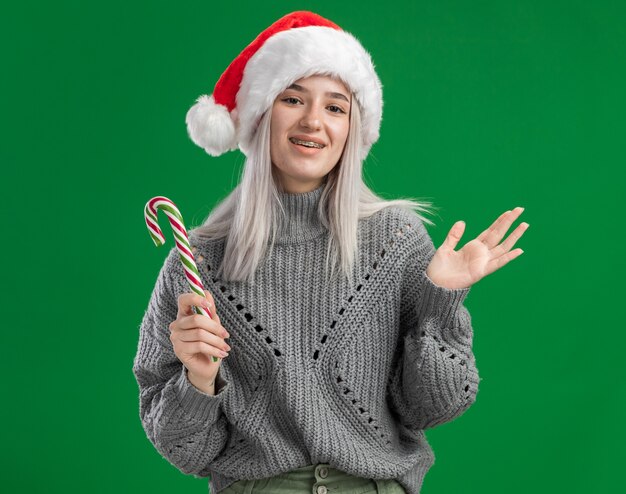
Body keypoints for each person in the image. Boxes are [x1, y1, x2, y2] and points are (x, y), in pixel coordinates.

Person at [132, 11, 528, 494]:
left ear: (352, 130)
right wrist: (198, 379)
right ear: (260, 116)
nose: (313, 121)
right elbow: (184, 449)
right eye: (293, 99)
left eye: (336, 107)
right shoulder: (198, 263)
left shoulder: (397, 241)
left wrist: (439, 299)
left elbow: (433, 407)